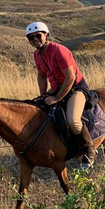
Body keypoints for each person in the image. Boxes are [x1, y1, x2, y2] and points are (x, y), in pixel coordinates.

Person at [25, 21, 97, 169]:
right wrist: (43, 95)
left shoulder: (59, 50)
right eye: (31, 38)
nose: (35, 40)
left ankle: (90, 148)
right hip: (56, 88)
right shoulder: (37, 55)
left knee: (73, 120)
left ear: (46, 35)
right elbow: (41, 75)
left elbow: (70, 78)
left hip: (76, 87)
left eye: (38, 36)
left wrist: (57, 98)